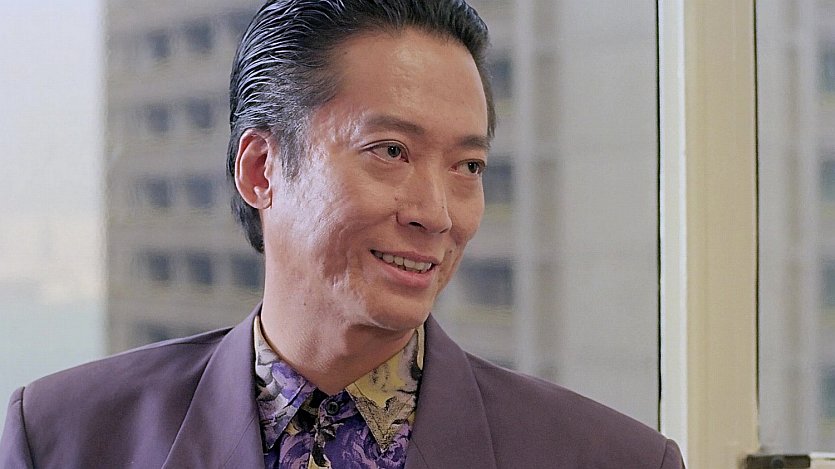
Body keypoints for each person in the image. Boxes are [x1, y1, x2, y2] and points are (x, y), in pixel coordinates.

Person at [0, 1, 684, 467]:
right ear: (262, 169)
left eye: (467, 166)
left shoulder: (610, 457)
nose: (437, 214)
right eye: (390, 151)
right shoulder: (63, 436)